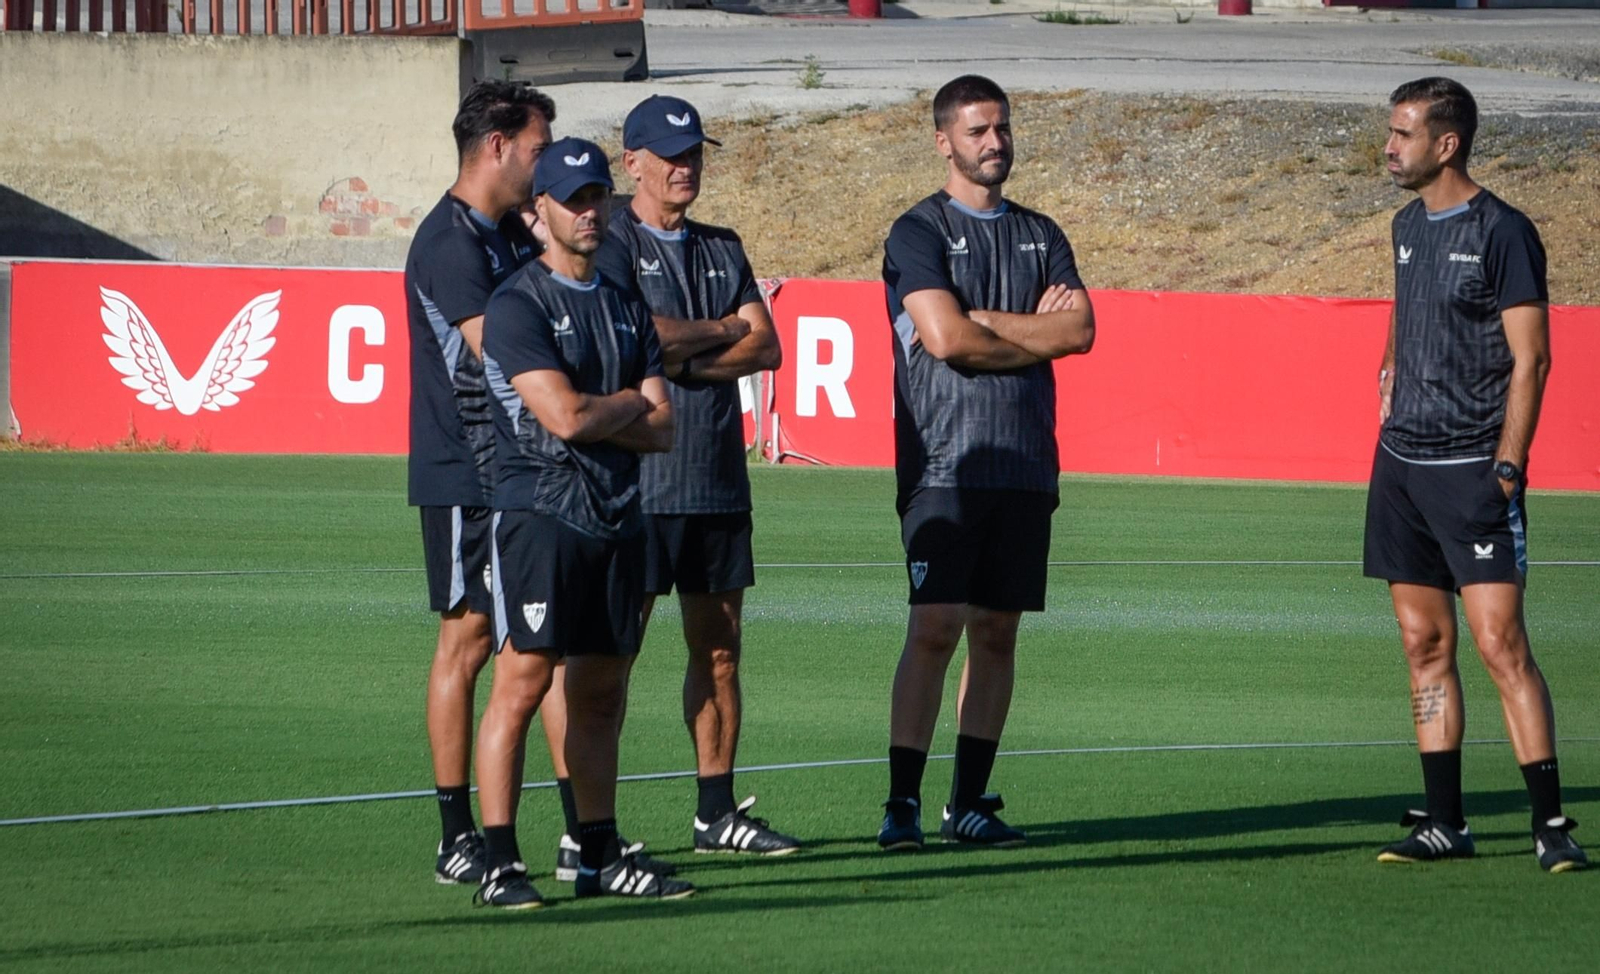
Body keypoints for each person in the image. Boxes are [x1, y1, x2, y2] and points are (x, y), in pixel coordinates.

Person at [1365, 77, 1585, 873]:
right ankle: (1445, 824)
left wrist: (1509, 465)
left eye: (1402, 133)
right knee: (1424, 644)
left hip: (1474, 475)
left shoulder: (1505, 232)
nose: (1389, 147)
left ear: (1446, 143)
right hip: (1402, 472)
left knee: (1501, 647)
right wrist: (1388, 370)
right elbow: (1405, 307)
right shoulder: (1403, 224)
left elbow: (1534, 358)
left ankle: (1551, 824)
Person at [875, 75, 1096, 852]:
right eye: (976, 131)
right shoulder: (918, 231)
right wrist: (1025, 331)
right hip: (945, 463)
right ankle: (901, 804)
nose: (994, 142)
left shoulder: (1042, 233)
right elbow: (945, 339)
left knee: (997, 633)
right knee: (934, 627)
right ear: (944, 140)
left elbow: (1080, 332)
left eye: (1001, 128)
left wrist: (990, 325)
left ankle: (967, 804)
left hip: (1027, 465)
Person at [473, 138, 693, 907]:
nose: (592, 211)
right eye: (575, 199)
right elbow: (562, 418)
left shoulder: (624, 300)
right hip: (540, 515)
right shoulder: (517, 303)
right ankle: (499, 861)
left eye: (599, 195)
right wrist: (629, 404)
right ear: (540, 214)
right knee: (524, 681)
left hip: (618, 515)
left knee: (600, 693)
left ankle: (598, 852)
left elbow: (665, 428)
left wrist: (619, 411)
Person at [584, 94, 796, 857]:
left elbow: (767, 346)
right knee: (610, 662)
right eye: (669, 153)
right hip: (636, 488)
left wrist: (681, 349)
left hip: (714, 483)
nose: (685, 165)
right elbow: (636, 336)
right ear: (631, 160)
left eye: (694, 151)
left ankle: (716, 815)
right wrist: (719, 329)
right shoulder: (607, 242)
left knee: (719, 653)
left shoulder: (722, 244)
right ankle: (589, 830)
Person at [403, 80, 550, 886]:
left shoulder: (503, 234)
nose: (542, 162)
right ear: (496, 146)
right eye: (535, 147)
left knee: (534, 647)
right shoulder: (451, 241)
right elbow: (504, 346)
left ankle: (574, 829)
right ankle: (456, 832)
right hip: (469, 470)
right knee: (468, 641)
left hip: (520, 473)